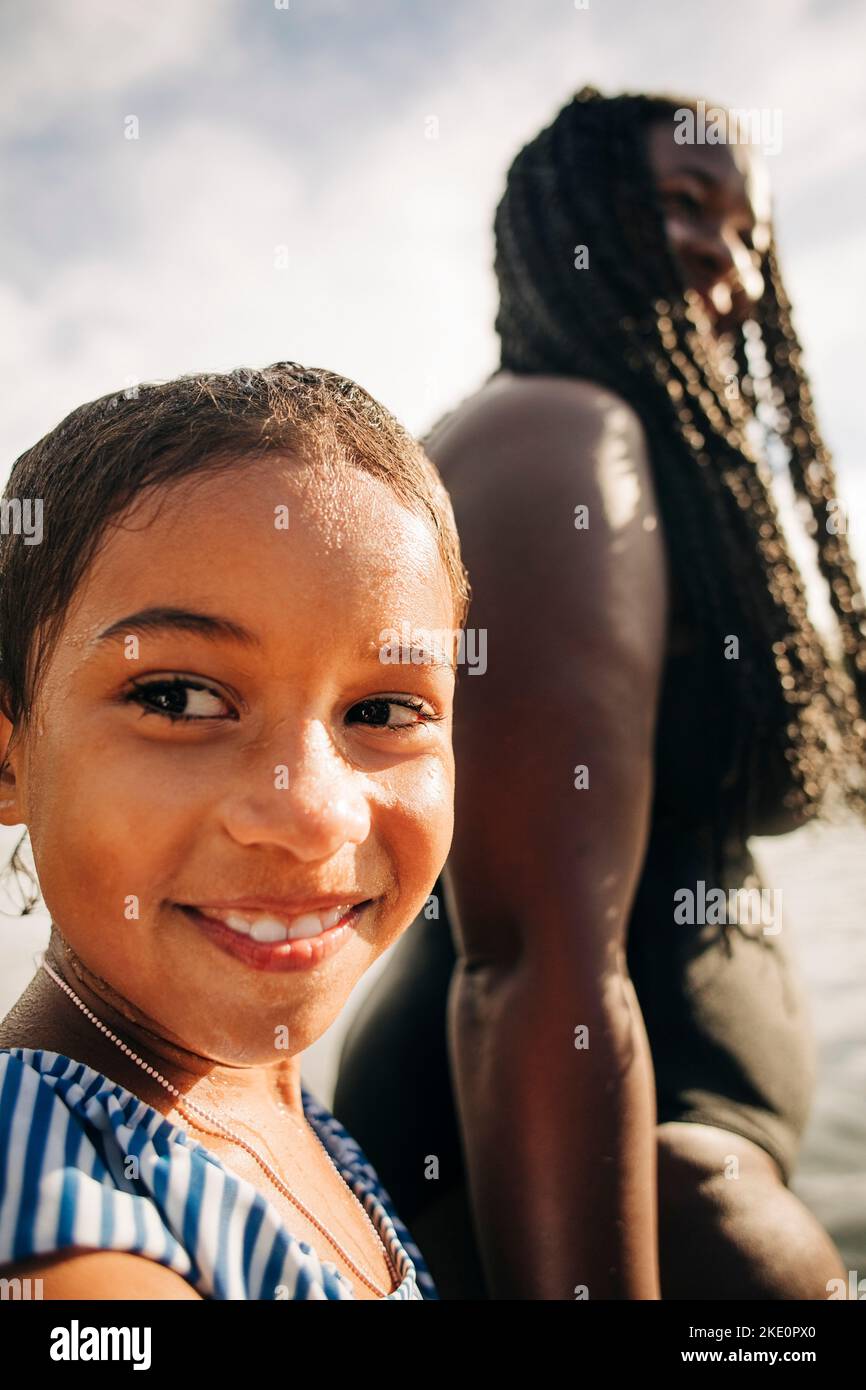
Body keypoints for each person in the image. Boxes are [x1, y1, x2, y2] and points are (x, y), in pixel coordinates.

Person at [333, 88, 866, 1299]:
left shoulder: (645, 466)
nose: (726, 262)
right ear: (566, 218)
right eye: (681, 204)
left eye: (748, 234)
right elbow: (522, 955)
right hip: (564, 1185)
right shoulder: (555, 436)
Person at [0, 361, 470, 1300]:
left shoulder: (273, 1100)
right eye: (177, 697)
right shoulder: (55, 1210)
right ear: (11, 757)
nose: (310, 813)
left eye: (381, 710)